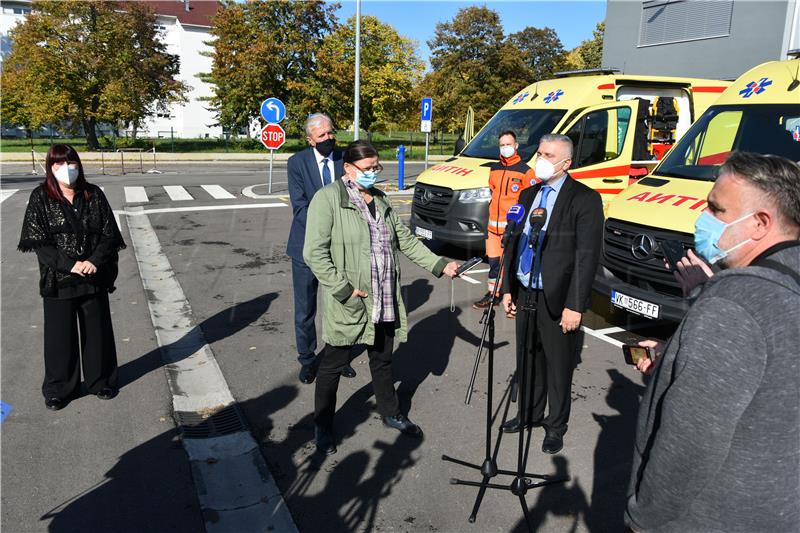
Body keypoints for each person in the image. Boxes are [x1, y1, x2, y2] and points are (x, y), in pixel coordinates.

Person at [625, 152, 800, 533]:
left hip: (713, 516)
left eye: (715, 210)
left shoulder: (731, 307)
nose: (702, 218)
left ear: (760, 223)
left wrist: (644, 518)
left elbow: (690, 444)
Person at [303, 140, 459, 455]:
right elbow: (314, 253)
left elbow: (405, 240)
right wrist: (344, 289)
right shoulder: (328, 199)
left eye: (377, 167)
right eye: (368, 168)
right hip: (351, 298)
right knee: (333, 364)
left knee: (382, 358)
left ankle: (390, 412)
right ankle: (322, 425)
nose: (374, 173)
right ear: (348, 168)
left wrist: (440, 265)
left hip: (384, 295)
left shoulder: (380, 199)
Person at [500, 134, 603, 454]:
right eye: (539, 152)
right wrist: (508, 289)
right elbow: (513, 241)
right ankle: (528, 414)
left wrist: (576, 306)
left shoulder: (584, 198)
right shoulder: (529, 193)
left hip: (557, 297)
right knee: (527, 358)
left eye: (548, 154)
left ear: (566, 163)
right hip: (525, 288)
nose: (539, 159)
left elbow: (587, 256)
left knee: (558, 366)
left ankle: (555, 425)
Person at [18, 144, 126, 410]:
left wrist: (92, 262)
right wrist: (71, 265)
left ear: (79, 164)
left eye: (70, 163)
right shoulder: (40, 197)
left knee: (97, 333)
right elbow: (39, 243)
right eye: (57, 164)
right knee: (59, 338)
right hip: (59, 280)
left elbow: (109, 235)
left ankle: (100, 381)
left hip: (93, 277)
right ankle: (59, 388)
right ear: (49, 168)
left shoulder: (93, 194)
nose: (66, 169)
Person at [286, 113, 355, 384]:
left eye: (330, 133)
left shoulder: (343, 159)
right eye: (322, 136)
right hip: (306, 248)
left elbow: (354, 196)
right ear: (310, 139)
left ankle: (341, 358)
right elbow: (300, 206)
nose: (328, 139)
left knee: (342, 305)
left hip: (340, 247)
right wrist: (328, 227)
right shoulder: (297, 163)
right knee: (305, 310)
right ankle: (307, 359)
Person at [473, 130, 537, 309]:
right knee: (494, 264)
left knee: (511, 265)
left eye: (509, 144)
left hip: (513, 229)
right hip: (493, 229)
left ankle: (515, 298)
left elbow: (530, 201)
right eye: (502, 145)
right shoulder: (494, 168)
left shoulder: (527, 172)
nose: (505, 148)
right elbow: (493, 194)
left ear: (516, 146)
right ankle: (492, 295)